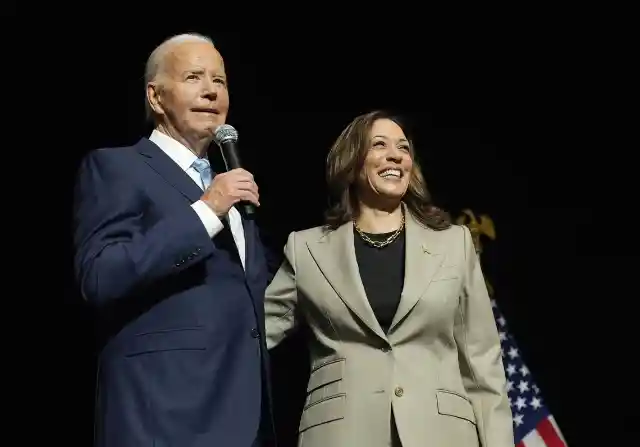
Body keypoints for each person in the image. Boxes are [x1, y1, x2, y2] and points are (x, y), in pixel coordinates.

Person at [264, 110, 514, 447]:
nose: (395, 155)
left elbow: (483, 362)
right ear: (351, 163)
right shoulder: (307, 249)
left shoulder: (454, 244)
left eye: (403, 148)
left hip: (442, 434)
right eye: (379, 145)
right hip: (342, 435)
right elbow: (254, 335)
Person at [72, 33, 273, 447]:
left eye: (220, 80)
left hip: (243, 419)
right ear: (156, 97)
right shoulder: (117, 167)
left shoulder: (228, 185)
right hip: (162, 417)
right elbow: (101, 275)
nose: (211, 90)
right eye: (194, 77)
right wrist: (205, 211)